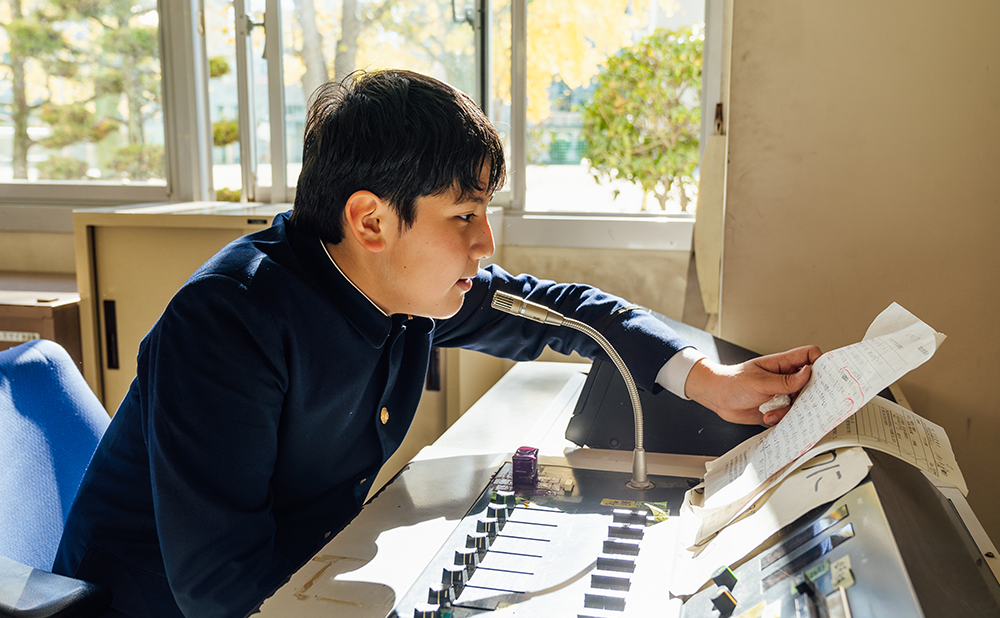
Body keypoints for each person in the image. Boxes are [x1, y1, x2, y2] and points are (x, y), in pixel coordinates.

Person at [54, 69, 821, 618]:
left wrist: (709, 380)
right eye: (464, 215)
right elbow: (218, 591)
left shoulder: (400, 289)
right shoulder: (229, 321)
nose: (486, 243)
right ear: (372, 221)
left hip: (306, 575)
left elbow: (570, 312)